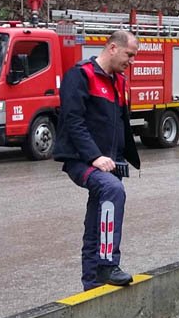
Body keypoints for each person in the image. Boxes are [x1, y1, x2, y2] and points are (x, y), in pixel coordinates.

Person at [53, 30, 142, 290]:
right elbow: (73, 121)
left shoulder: (120, 81)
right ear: (113, 48)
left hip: (107, 162)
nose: (132, 61)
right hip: (81, 159)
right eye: (129, 55)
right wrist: (94, 157)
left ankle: (91, 285)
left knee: (95, 222)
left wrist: (122, 158)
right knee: (113, 190)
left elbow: (119, 123)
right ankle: (107, 264)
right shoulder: (80, 75)